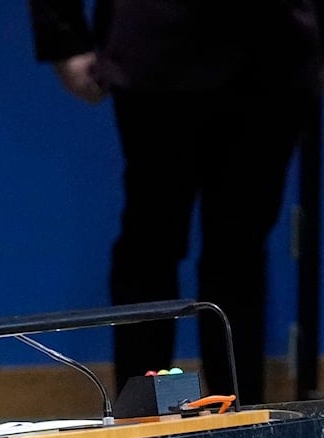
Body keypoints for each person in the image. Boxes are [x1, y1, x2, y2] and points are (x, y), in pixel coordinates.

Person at [29, 1, 323, 405]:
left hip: (277, 50)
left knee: (240, 254)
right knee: (151, 246)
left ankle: (238, 431)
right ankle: (143, 432)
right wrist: (64, 35)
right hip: (158, 47)